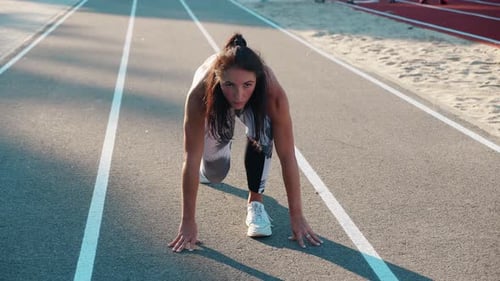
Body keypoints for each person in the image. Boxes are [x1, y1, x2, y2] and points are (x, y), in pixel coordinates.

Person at [168, 33, 323, 253]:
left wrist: (296, 215)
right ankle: (222, 140)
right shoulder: (200, 95)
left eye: (247, 85)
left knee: (263, 131)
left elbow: (287, 155)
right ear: (218, 79)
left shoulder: (272, 93)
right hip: (216, 107)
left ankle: (256, 203)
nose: (238, 95)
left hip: (257, 110)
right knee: (215, 174)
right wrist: (187, 221)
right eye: (229, 84)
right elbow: (190, 159)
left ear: (257, 81)